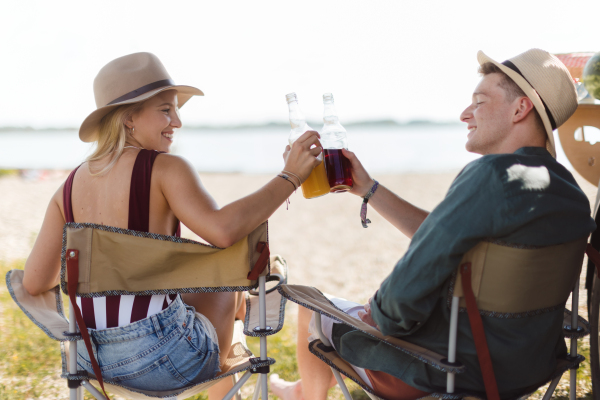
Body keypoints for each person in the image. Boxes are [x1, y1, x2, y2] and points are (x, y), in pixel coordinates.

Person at [270, 48, 597, 399]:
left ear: (520, 109)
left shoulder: (491, 176)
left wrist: (374, 316)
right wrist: (368, 189)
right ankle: (303, 388)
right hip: (528, 365)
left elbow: (398, 302)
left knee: (311, 309)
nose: (464, 114)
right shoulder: (569, 195)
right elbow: (453, 238)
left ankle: (305, 395)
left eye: (479, 101)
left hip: (451, 368)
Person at [21, 52, 321, 399]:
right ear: (129, 117)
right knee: (227, 289)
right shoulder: (165, 169)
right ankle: (228, 393)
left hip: (91, 359)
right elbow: (222, 231)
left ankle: (233, 392)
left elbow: (33, 282)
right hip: (166, 360)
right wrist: (291, 176)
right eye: (166, 109)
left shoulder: (68, 188)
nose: (177, 121)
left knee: (201, 297)